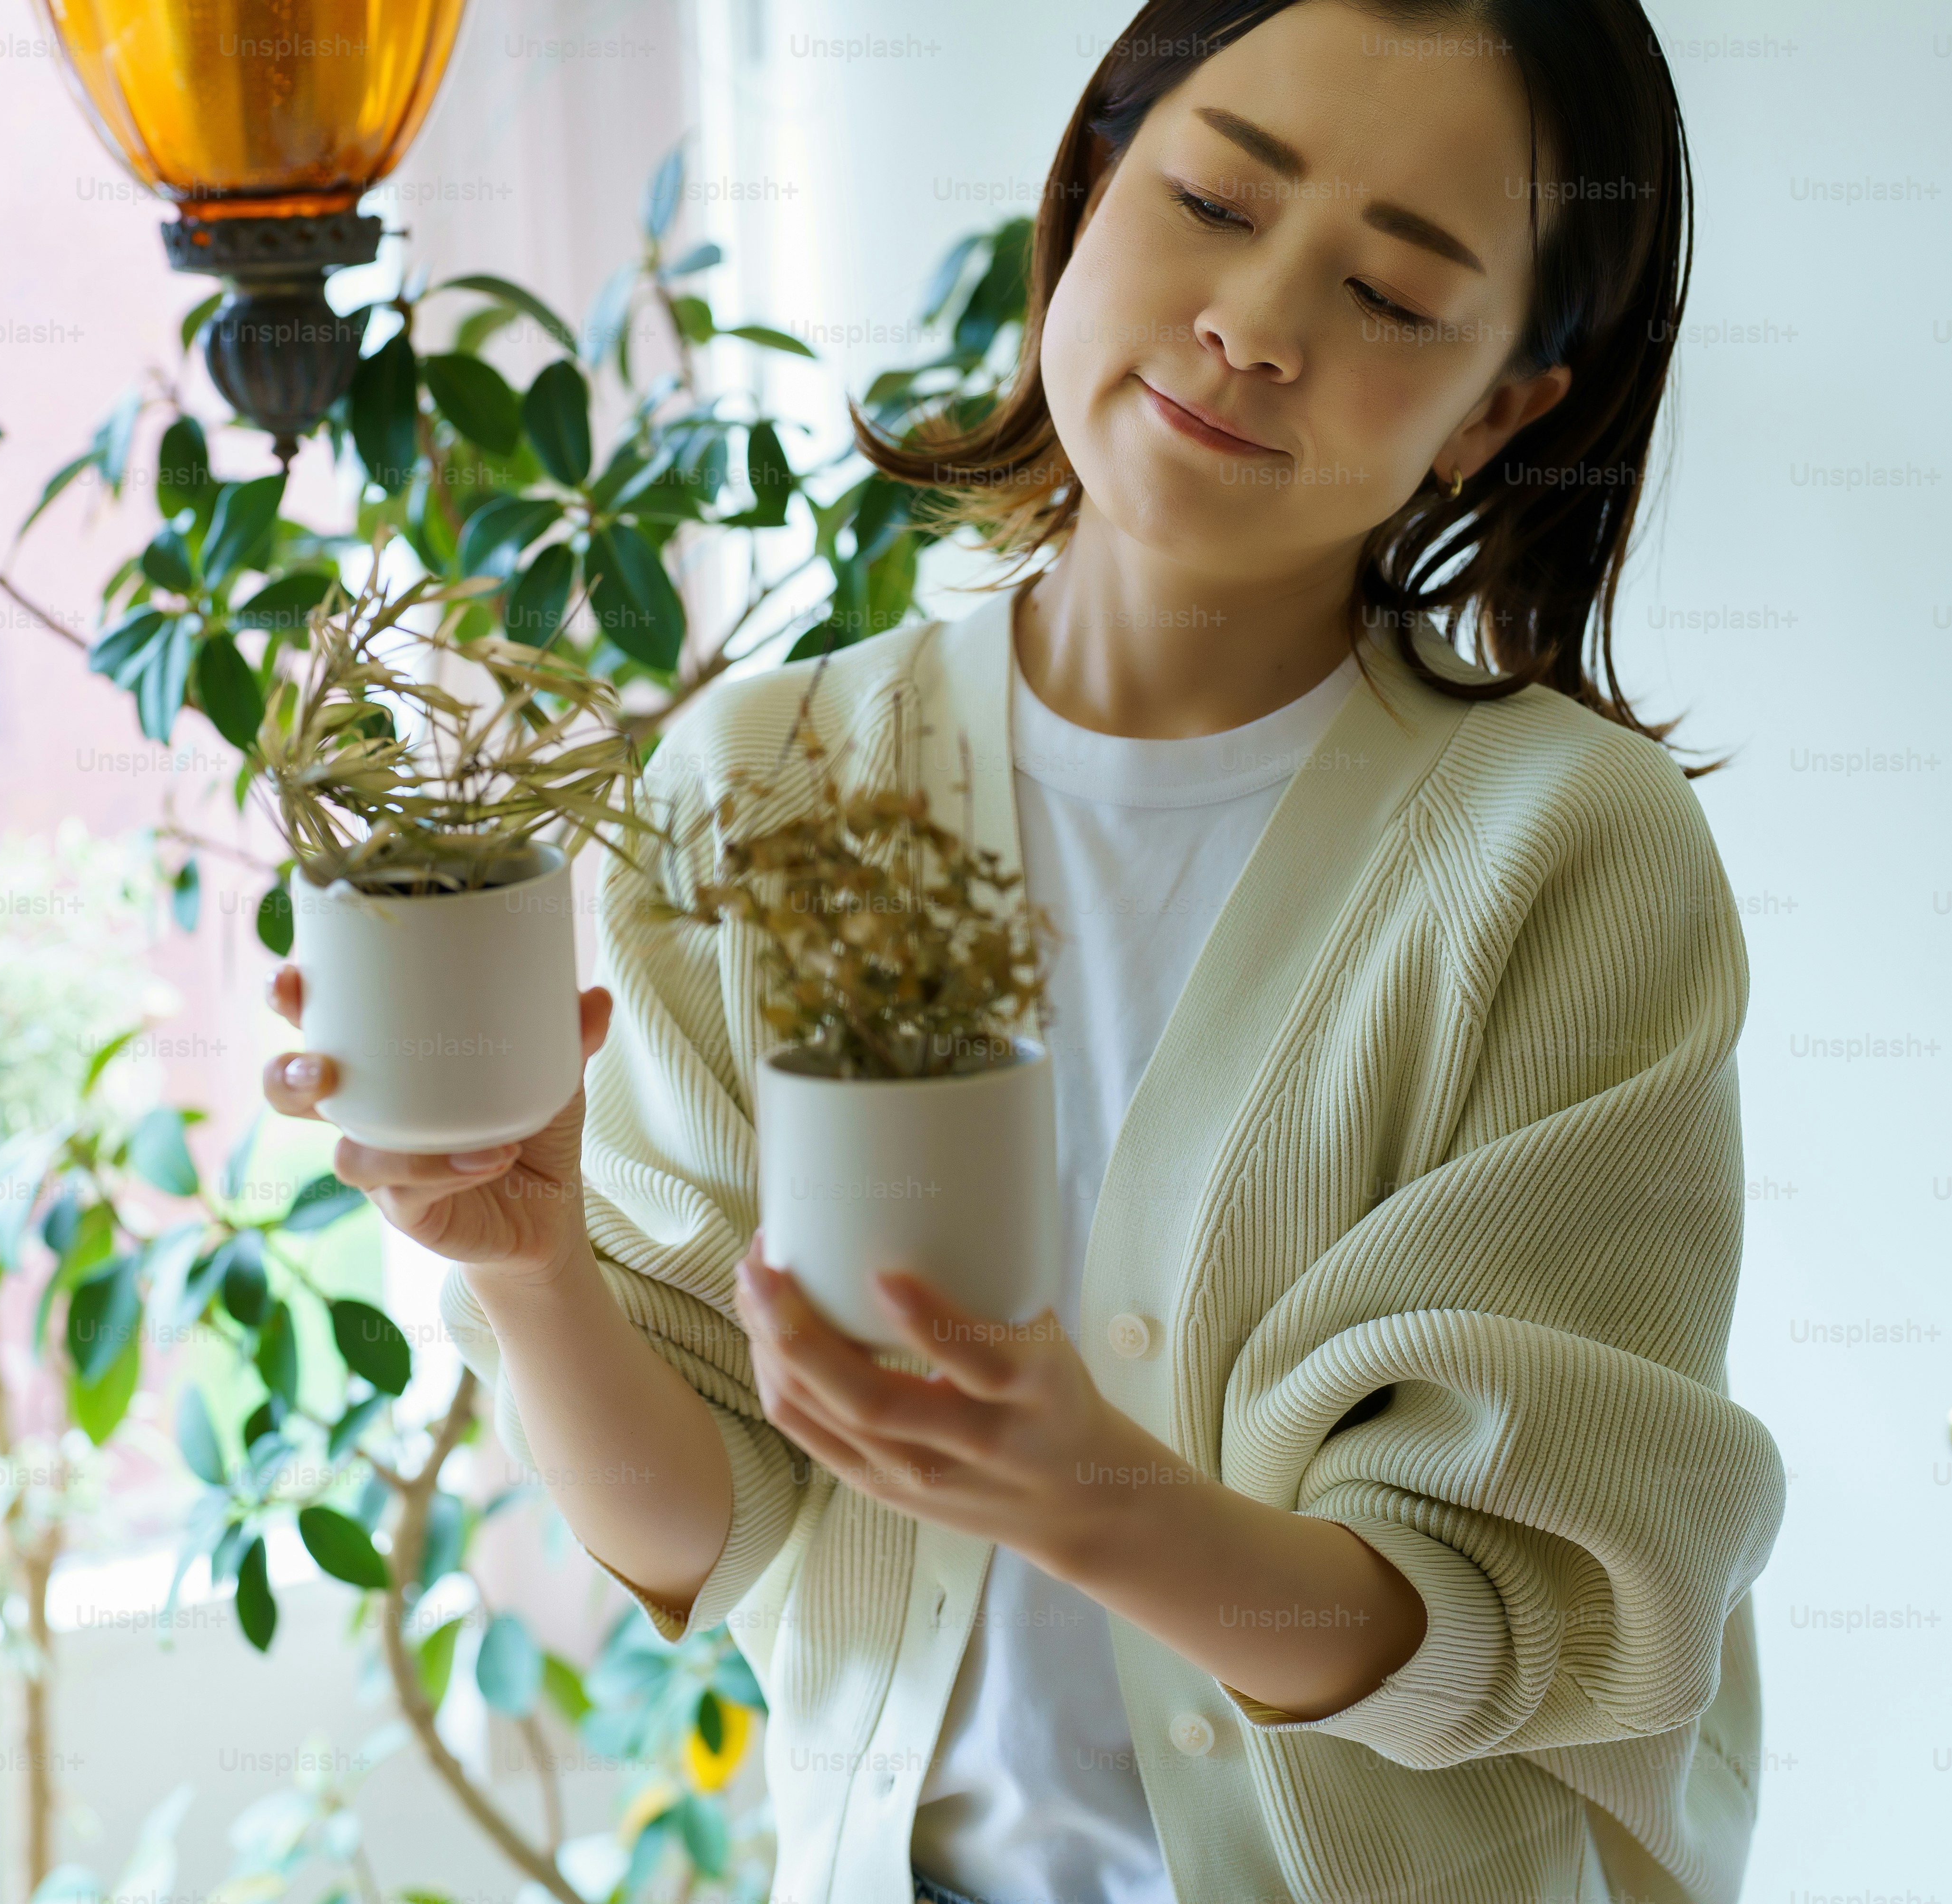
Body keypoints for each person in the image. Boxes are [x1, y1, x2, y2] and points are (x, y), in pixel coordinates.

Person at [263, 2, 1784, 1900]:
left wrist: (1085, 1494)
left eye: (1397, 295)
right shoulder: (771, 776)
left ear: (1499, 407)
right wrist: (534, 1266)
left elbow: (1528, 1616)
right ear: (1086, 191)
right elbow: (708, 1534)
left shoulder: (1564, 854)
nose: (1258, 321)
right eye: (1217, 198)